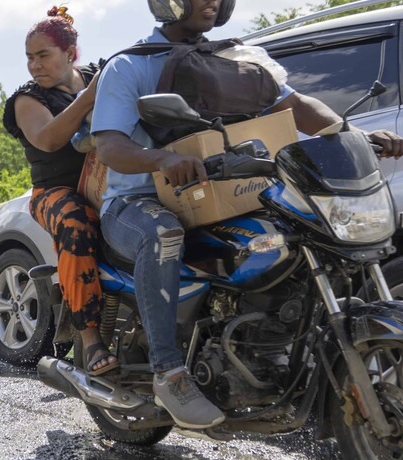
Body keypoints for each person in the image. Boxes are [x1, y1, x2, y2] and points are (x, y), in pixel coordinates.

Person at [91, 0, 403, 428]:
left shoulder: (236, 59)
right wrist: (161, 159)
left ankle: (273, 346)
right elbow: (109, 146)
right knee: (163, 234)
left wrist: (355, 134)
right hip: (139, 202)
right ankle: (169, 373)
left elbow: (298, 106)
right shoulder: (130, 65)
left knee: (297, 233)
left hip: (222, 195)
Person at [3, 5, 115, 375]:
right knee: (74, 220)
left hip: (113, 182)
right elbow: (49, 140)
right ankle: (90, 337)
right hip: (56, 194)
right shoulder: (27, 99)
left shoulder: (99, 75)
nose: (35, 66)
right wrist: (90, 97)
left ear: (70, 53)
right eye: (29, 58)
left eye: (43, 55)